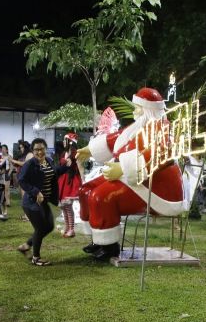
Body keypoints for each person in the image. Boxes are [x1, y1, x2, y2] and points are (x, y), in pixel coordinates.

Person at [75, 87, 187, 261]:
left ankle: (110, 247)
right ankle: (99, 240)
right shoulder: (137, 127)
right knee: (85, 190)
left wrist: (123, 168)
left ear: (148, 110)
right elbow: (116, 139)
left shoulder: (163, 130)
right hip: (133, 178)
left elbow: (162, 154)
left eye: (138, 107)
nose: (134, 111)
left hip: (154, 187)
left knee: (101, 196)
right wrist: (89, 150)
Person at [17, 138, 69, 266]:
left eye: (41, 149)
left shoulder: (49, 161)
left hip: (44, 201)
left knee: (49, 226)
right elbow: (21, 180)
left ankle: (26, 245)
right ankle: (36, 258)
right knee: (40, 228)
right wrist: (36, 192)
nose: (39, 152)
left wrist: (66, 167)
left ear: (45, 149)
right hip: (31, 203)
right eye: (36, 150)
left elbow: (54, 172)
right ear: (33, 151)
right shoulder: (30, 164)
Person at [57, 132, 82, 237]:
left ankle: (71, 229)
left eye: (65, 140)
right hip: (64, 179)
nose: (63, 141)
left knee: (67, 206)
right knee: (64, 206)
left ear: (69, 141)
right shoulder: (65, 152)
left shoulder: (73, 152)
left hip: (70, 180)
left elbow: (77, 166)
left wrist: (83, 181)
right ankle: (67, 227)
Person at [0, 144, 13, 210]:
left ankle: (8, 202)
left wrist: (9, 173)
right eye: (2, 148)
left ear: (7, 150)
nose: (2, 150)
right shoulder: (0, 157)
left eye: (4, 148)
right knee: (2, 189)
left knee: (7, 189)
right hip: (1, 174)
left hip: (7, 173)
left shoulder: (9, 156)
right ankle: (2, 201)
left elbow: (11, 166)